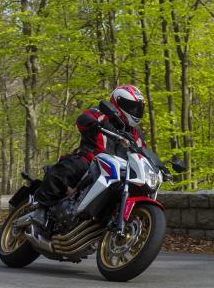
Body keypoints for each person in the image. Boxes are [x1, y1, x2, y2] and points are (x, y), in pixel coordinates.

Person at [21, 85, 147, 230]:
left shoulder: (135, 134)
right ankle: (41, 209)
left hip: (117, 172)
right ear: (118, 102)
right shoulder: (101, 114)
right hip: (90, 160)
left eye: (138, 108)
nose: (135, 111)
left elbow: (143, 151)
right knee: (67, 170)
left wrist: (159, 166)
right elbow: (83, 118)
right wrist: (92, 124)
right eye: (131, 106)